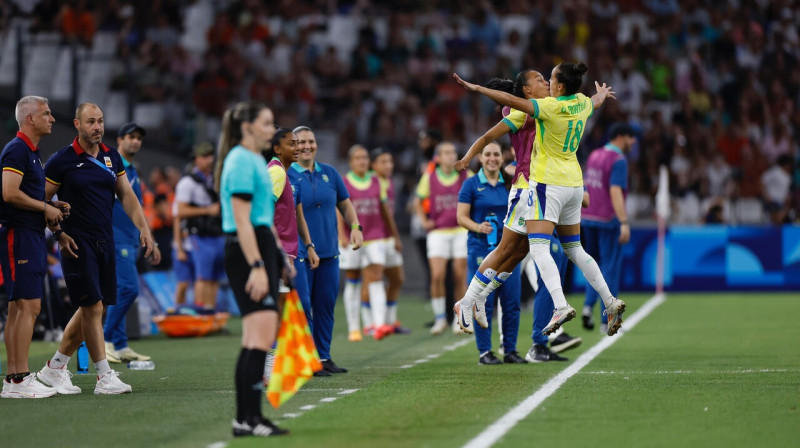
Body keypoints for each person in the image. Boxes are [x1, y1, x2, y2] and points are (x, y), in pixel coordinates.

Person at [453, 62, 626, 337]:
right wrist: (467, 157)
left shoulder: (549, 106)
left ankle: (479, 298)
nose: (545, 81)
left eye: (548, 78)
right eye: (539, 79)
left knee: (520, 251)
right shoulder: (532, 109)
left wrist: (476, 88)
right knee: (512, 250)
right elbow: (492, 131)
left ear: (559, 86)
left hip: (547, 186)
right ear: (526, 90)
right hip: (531, 187)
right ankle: (469, 300)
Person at [38, 102, 158, 395]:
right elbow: (41, 201)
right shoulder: (61, 160)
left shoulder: (110, 157)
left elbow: (127, 196)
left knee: (94, 306)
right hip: (76, 242)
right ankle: (104, 376)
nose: (98, 127)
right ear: (77, 125)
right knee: (92, 307)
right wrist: (59, 233)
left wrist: (145, 229)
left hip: (106, 240)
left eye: (101, 121)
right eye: (91, 122)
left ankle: (55, 367)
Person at [216, 101, 288, 437]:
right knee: (259, 337)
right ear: (247, 127)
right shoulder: (241, 161)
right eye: (266, 123)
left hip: (261, 244)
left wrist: (280, 257)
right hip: (247, 250)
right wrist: (258, 265)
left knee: (257, 338)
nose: (271, 129)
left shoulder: (255, 161)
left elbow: (263, 217)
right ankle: (249, 418)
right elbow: (242, 221)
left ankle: (247, 418)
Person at [0, 96, 64, 398]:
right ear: (29, 118)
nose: (52, 118)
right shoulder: (17, 150)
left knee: (17, 308)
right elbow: (9, 193)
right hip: (20, 235)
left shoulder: (31, 152)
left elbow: (23, 193)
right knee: (28, 306)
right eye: (46, 114)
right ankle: (20, 379)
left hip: (29, 233)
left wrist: (51, 205)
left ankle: (14, 379)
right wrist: (44, 207)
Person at [289, 126, 362, 376]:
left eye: (311, 141)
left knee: (326, 305)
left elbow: (345, 203)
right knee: (303, 306)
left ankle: (323, 357)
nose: (306, 146)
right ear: (292, 146)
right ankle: (306, 360)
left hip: (329, 253)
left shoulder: (330, 173)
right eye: (300, 142)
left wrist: (355, 226)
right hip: (300, 254)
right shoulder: (285, 175)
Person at [456, 143, 526, 365]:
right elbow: (461, 217)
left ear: (502, 157)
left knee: (512, 302)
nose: (492, 158)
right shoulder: (471, 184)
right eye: (488, 154)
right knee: (482, 302)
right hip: (481, 249)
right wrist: (478, 227)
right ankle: (485, 352)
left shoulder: (511, 183)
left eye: (496, 154)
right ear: (481, 157)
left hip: (509, 251)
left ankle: (510, 350)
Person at [104, 122, 161, 364]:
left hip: (131, 237)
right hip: (116, 237)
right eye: (131, 137)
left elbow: (137, 208)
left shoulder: (132, 170)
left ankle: (120, 344)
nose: (136, 141)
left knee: (120, 290)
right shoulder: (111, 167)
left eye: (139, 138)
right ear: (120, 140)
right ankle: (104, 340)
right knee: (129, 289)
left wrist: (150, 238)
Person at [338, 145, 399, 341]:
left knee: (376, 277)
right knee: (353, 279)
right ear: (350, 162)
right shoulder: (345, 182)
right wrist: (342, 235)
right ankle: (354, 327)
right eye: (357, 158)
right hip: (353, 237)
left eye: (364, 157)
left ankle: (379, 324)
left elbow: (384, 211)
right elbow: (339, 211)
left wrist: (394, 235)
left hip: (375, 236)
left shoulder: (376, 181)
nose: (362, 161)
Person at [582, 123, 636, 334]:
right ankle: (610, 321)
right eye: (632, 138)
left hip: (587, 216)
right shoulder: (619, 160)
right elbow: (615, 191)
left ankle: (587, 306)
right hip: (607, 219)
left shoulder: (595, 154)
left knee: (591, 266)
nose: (633, 143)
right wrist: (623, 221)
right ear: (622, 137)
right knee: (610, 268)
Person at [414, 141, 470, 334]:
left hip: (460, 230)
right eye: (446, 152)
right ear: (438, 158)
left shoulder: (465, 175)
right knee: (437, 275)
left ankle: (458, 318)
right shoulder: (429, 177)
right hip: (438, 231)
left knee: (459, 275)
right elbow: (418, 200)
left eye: (453, 151)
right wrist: (423, 220)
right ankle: (440, 318)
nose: (451, 155)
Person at [266, 128, 319, 306]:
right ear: (277, 149)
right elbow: (264, 210)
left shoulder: (280, 171)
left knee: (283, 303)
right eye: (291, 144)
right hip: (279, 250)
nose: (297, 148)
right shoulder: (277, 173)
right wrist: (278, 248)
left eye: (297, 143)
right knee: (280, 304)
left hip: (282, 250)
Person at [174, 142, 224, 310]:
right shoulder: (187, 182)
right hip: (199, 235)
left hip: (216, 233)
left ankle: (211, 311)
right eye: (204, 157)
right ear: (196, 159)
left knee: (215, 276)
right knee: (203, 275)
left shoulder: (215, 180)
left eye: (210, 156)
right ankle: (201, 312)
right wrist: (207, 210)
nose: (209, 160)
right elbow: (180, 210)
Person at [371, 148, 407, 334]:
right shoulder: (370, 182)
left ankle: (389, 320)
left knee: (397, 279)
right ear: (373, 165)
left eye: (390, 161)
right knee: (372, 279)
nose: (388, 166)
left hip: (388, 238)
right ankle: (371, 323)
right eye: (383, 162)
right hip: (374, 238)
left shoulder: (390, 182)